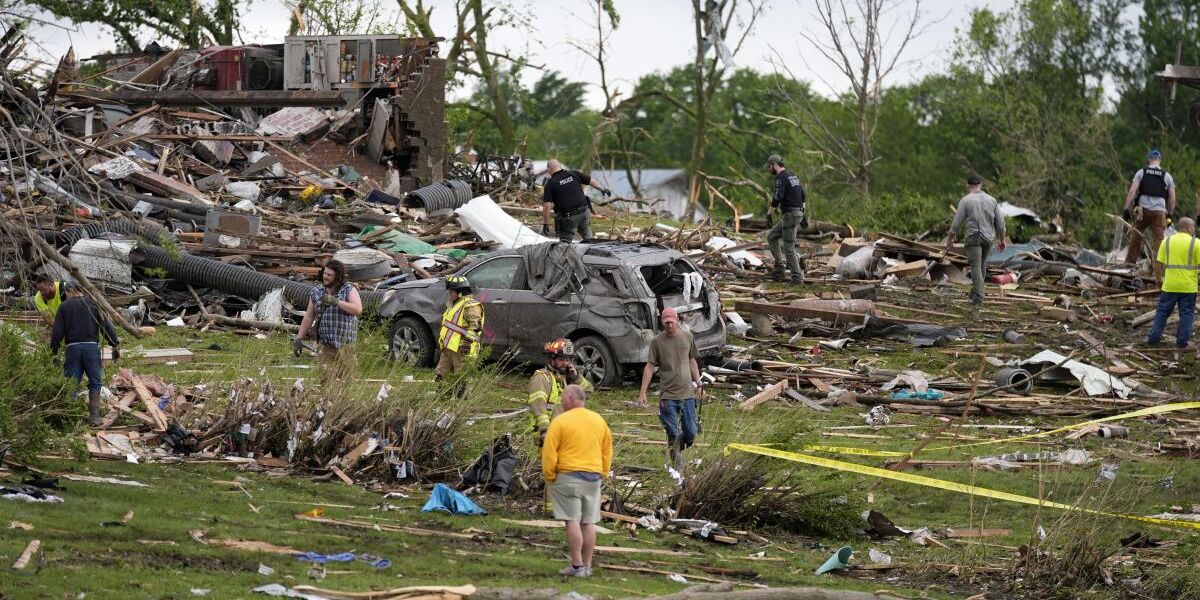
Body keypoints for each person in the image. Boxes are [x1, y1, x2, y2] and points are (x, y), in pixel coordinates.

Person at [542, 384, 612, 578]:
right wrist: (603, 471)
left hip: (568, 476)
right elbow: (607, 449)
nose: (561, 400)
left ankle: (577, 565)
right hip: (593, 477)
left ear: (571, 399)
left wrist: (550, 475)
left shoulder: (560, 421)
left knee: (572, 520)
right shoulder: (598, 421)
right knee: (588, 522)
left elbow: (550, 451)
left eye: (563, 397)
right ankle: (588, 567)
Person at [636, 307, 702, 472]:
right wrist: (643, 392)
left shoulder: (687, 336)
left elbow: (692, 361)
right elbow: (650, 367)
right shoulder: (657, 342)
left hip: (687, 393)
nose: (669, 326)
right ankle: (677, 466)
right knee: (672, 433)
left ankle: (677, 448)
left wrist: (699, 383)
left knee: (690, 434)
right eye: (666, 323)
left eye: (672, 322)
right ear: (662, 323)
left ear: (677, 320)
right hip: (668, 396)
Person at [50, 283, 120, 425]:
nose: (66, 296)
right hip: (91, 349)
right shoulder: (93, 304)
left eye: (66, 294)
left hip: (73, 349)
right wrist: (114, 345)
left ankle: (69, 418)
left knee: (71, 383)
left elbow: (57, 332)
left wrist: (54, 352)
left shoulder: (64, 306)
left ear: (69, 292)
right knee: (95, 382)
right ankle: (94, 417)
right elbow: (106, 325)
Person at [297, 260, 363, 386]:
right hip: (325, 345)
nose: (325, 277)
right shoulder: (317, 292)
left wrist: (336, 301)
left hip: (346, 345)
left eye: (329, 275)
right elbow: (309, 316)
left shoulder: (348, 289)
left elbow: (358, 309)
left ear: (338, 276)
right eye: (325, 273)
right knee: (326, 383)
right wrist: (299, 338)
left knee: (349, 384)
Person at [948, 175, 1006, 307]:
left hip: (973, 238)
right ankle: (975, 291)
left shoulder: (965, 200)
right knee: (982, 265)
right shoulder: (992, 200)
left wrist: (950, 238)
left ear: (968, 186)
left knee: (975, 266)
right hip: (988, 238)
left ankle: (979, 297)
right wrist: (1002, 239)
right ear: (981, 184)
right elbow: (1001, 223)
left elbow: (956, 223)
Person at [528, 339, 595, 443]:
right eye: (561, 359)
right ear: (552, 358)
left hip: (567, 436)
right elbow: (538, 408)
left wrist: (576, 378)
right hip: (550, 437)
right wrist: (546, 432)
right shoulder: (541, 378)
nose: (565, 363)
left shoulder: (568, 377)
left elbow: (588, 392)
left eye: (568, 359)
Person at [1148, 218, 1200, 348]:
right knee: (1186, 314)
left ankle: (1154, 338)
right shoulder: (1196, 243)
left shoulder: (1167, 241)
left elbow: (1159, 262)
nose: (1194, 230)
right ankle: (1182, 342)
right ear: (1188, 228)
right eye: (1193, 227)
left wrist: (1159, 279)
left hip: (1169, 285)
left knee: (1162, 312)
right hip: (1188, 287)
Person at [1122, 149, 1177, 265]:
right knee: (1158, 241)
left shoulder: (1141, 172)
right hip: (1159, 213)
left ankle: (1129, 264)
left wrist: (1126, 208)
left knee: (1136, 236)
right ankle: (1157, 269)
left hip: (1143, 211)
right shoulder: (1167, 176)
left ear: (1149, 159)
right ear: (1160, 161)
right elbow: (1172, 199)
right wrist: (1170, 214)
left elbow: (1132, 192)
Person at [541, 159, 612, 243]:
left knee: (564, 245)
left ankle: (565, 251)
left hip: (568, 218)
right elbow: (591, 181)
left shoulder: (550, 183)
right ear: (560, 166)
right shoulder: (574, 174)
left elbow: (547, 206)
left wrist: (546, 223)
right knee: (588, 239)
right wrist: (603, 189)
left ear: (549, 170)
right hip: (584, 213)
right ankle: (591, 249)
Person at [436, 275, 484, 395]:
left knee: (462, 380)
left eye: (451, 291)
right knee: (441, 376)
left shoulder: (471, 306)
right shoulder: (454, 304)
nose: (449, 294)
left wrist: (466, 344)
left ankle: (461, 406)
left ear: (460, 292)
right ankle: (442, 401)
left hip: (462, 350)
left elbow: (475, 327)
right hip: (448, 349)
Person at [765, 154, 808, 285]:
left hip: (790, 215)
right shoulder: (793, 175)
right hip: (796, 213)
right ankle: (779, 268)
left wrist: (769, 214)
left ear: (774, 164)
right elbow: (802, 195)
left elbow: (778, 196)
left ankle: (797, 278)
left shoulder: (780, 178)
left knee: (788, 247)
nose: (769, 169)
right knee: (772, 236)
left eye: (769, 166)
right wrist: (803, 214)